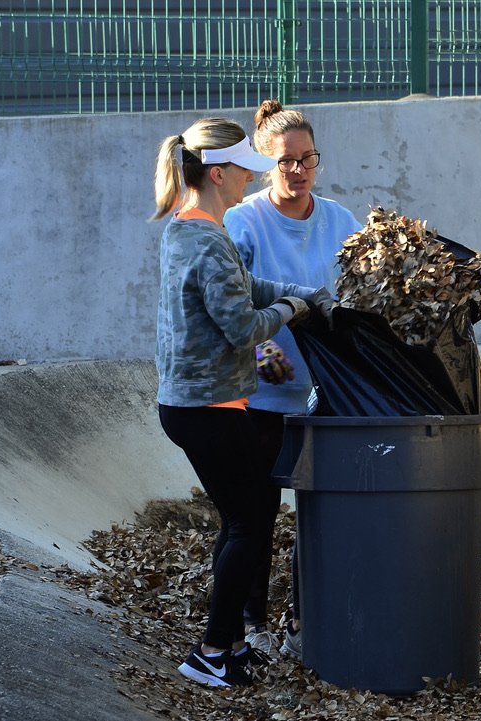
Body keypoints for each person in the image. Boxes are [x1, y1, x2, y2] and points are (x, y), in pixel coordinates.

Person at [151, 116, 334, 687]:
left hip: (197, 403)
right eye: (247, 171)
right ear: (218, 172)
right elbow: (241, 325)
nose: (252, 182)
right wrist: (295, 312)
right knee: (250, 523)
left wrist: (295, 291)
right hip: (207, 408)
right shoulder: (207, 237)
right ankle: (209, 651)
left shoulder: (194, 227)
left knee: (241, 523)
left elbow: (243, 286)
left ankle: (227, 645)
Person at [224, 99, 362, 660]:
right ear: (264, 163)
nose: (300, 170)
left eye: (309, 159)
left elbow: (361, 295)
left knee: (320, 512)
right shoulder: (243, 221)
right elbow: (232, 306)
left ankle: (308, 622)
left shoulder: (341, 221)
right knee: (256, 514)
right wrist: (266, 362)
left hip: (327, 393)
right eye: (287, 162)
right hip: (262, 393)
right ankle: (251, 623)